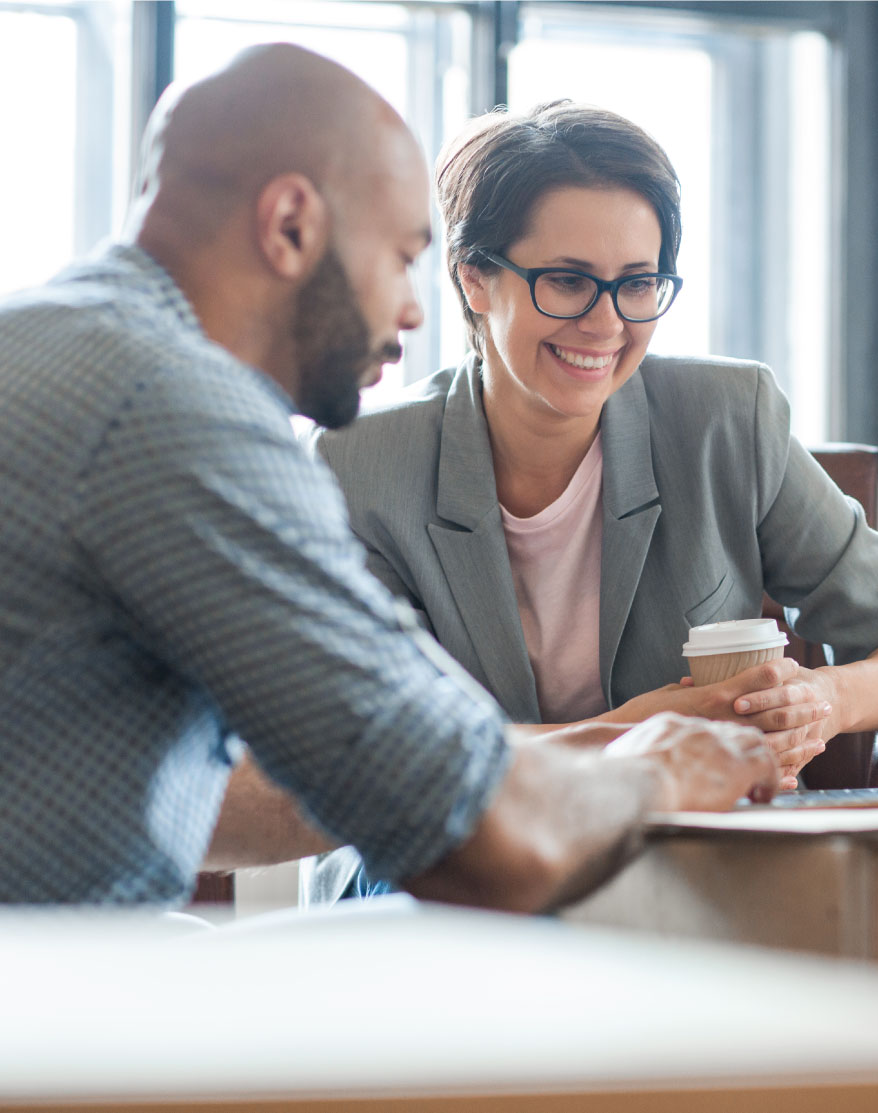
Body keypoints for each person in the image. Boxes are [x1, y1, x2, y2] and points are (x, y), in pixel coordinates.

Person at [0, 47, 801, 911]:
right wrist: (658, 770)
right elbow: (479, 845)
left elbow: (235, 801)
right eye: (400, 255)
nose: (415, 309)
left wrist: (586, 746)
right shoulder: (178, 410)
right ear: (291, 225)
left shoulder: (48, 338)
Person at [309, 100, 878, 901]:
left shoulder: (727, 419)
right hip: (439, 859)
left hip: (676, 859)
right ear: (475, 278)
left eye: (638, 284)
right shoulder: (360, 466)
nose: (606, 322)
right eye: (567, 281)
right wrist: (644, 732)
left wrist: (823, 700)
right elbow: (389, 757)